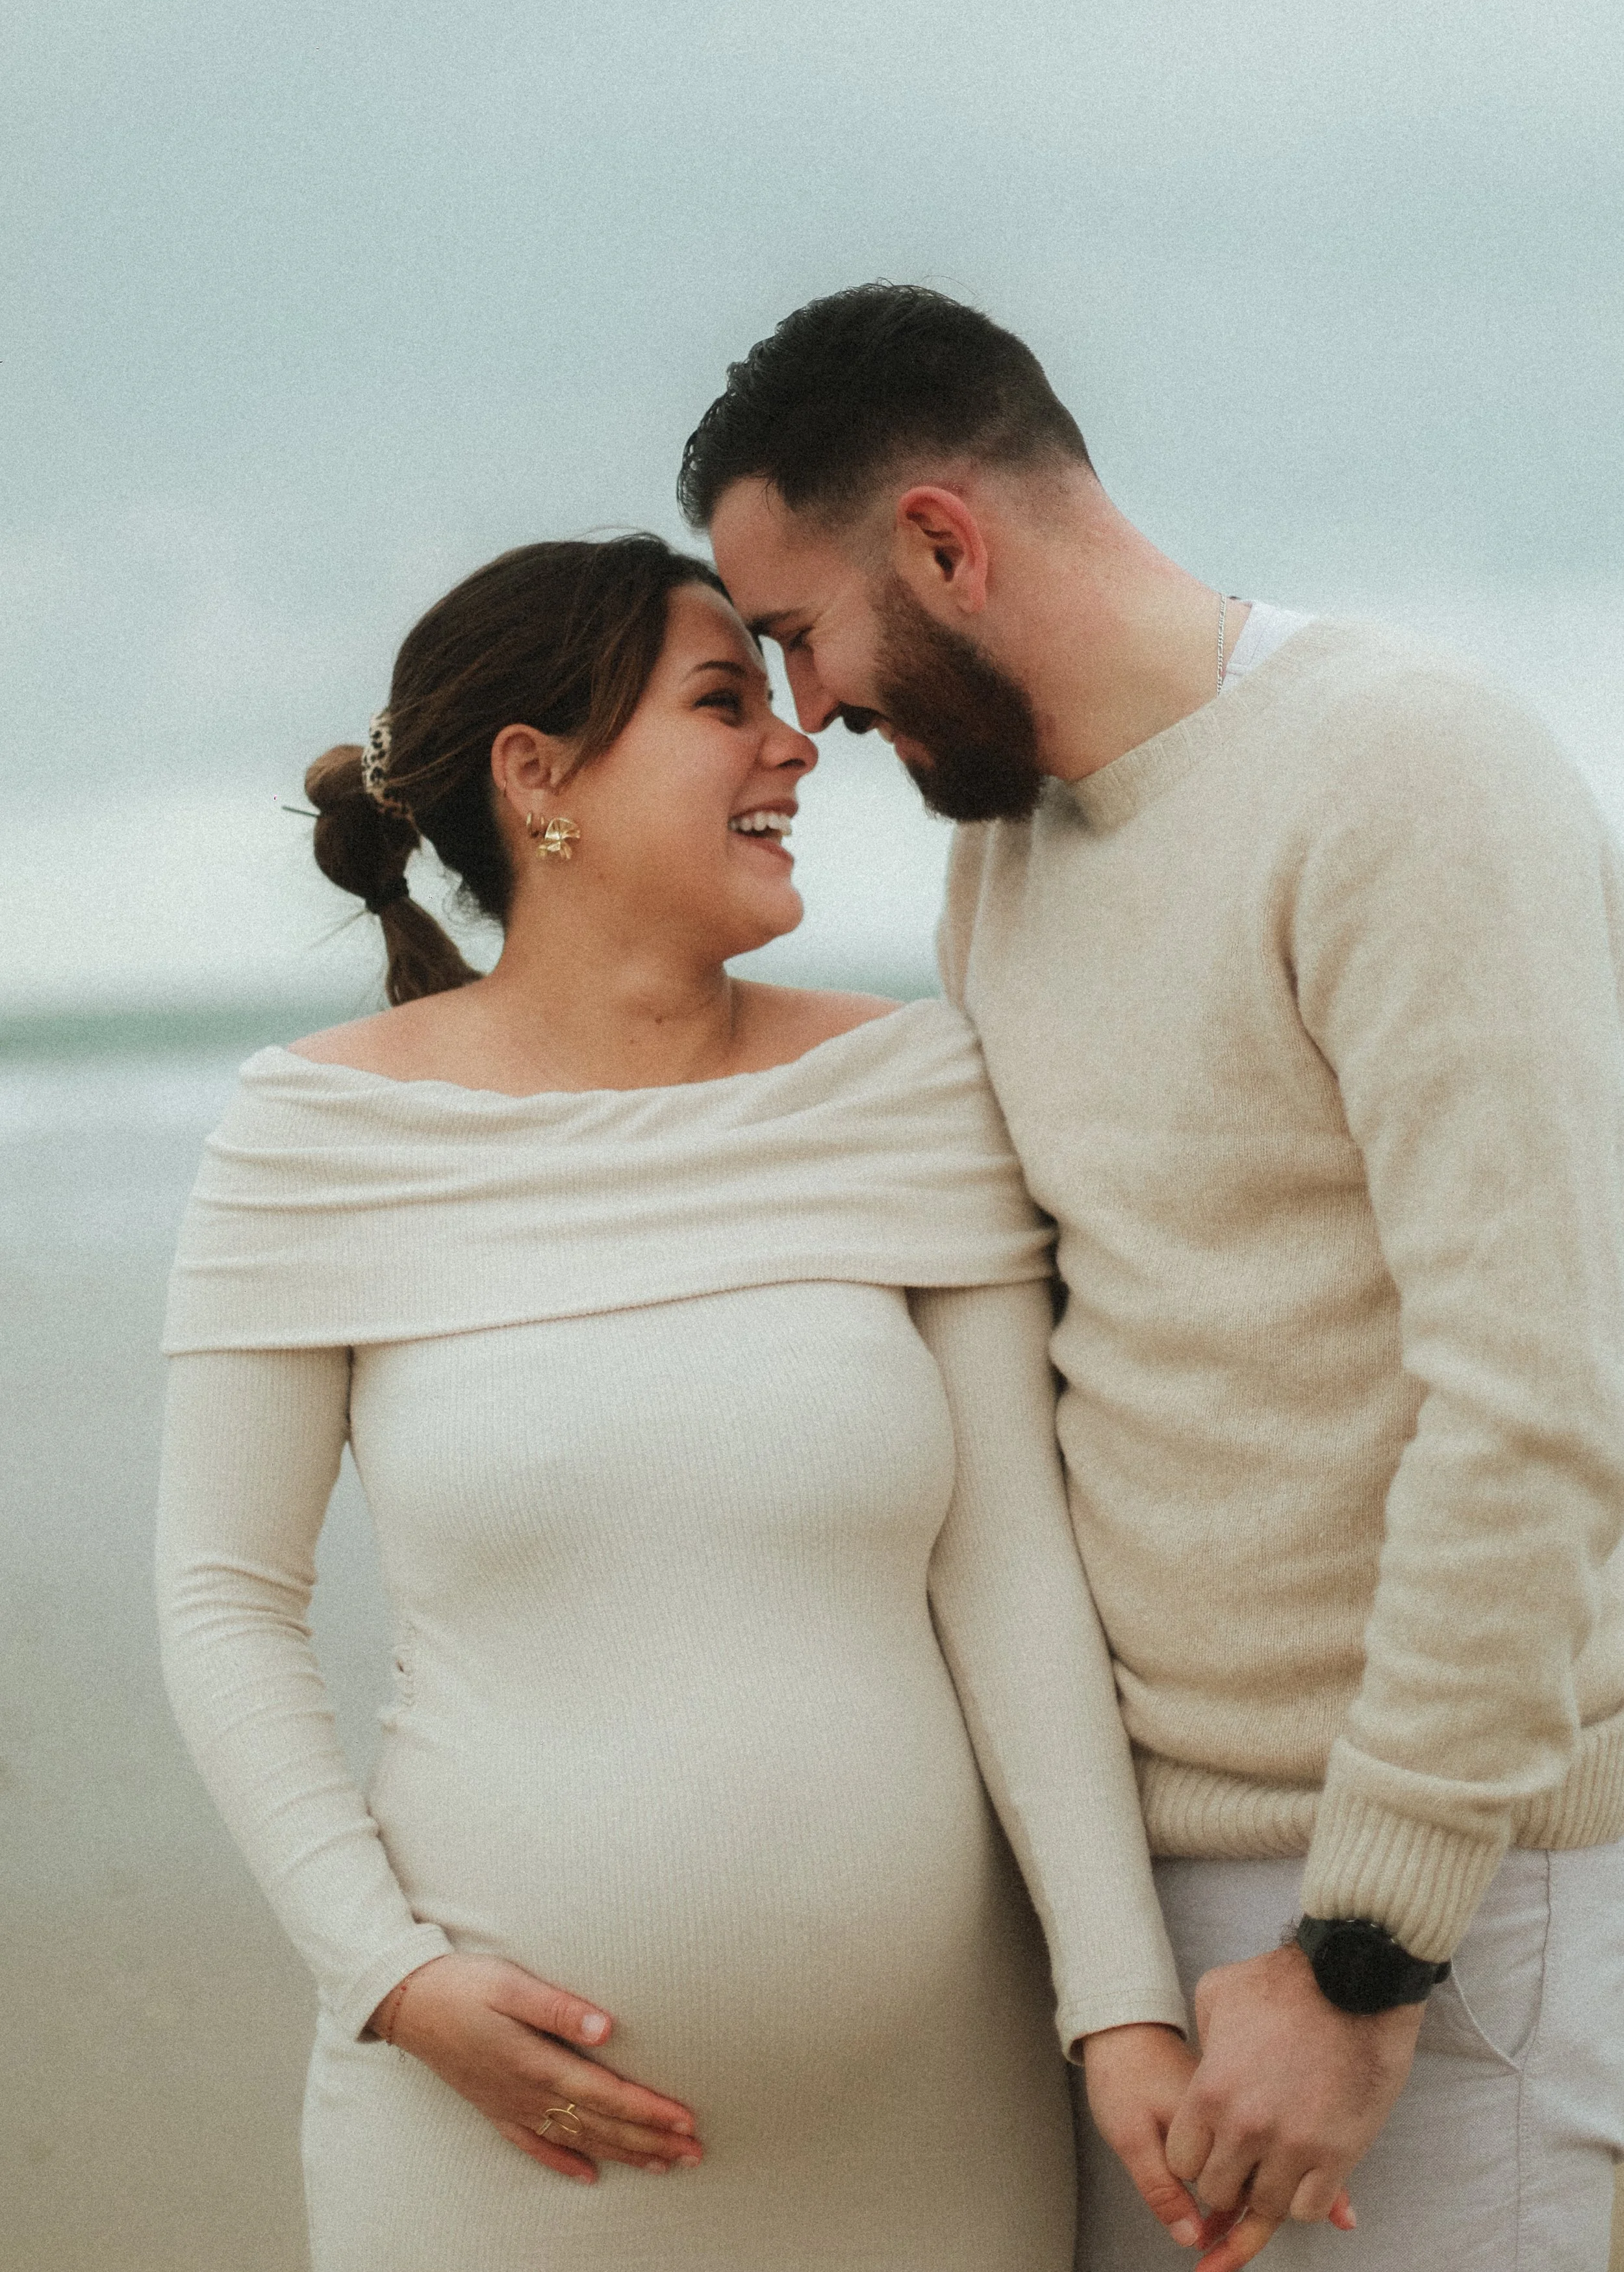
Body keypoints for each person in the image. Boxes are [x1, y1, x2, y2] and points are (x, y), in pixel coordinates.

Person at [156, 533, 1262, 2272]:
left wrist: (1118, 2001)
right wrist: (389, 1975)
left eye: (779, 693)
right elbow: (226, 1602)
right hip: (495, 2149)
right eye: (719, 700)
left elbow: (1012, 1585)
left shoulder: (898, 1085)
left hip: (931, 2136)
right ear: (539, 779)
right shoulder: (319, 1139)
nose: (796, 740)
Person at [683, 285, 1624, 2272]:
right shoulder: (1000, 865)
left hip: (1443, 1902)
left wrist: (1361, 1953)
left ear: (944, 540)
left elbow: (1544, 1394)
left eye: (797, 630)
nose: (808, 711)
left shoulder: (1404, 772)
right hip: (1156, 1922)